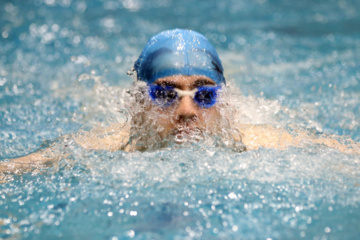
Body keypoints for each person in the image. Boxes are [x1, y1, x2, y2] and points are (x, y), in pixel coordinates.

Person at [1, 29, 359, 176]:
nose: (187, 112)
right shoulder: (107, 147)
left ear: (224, 102)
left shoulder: (256, 143)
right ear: (140, 104)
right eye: (164, 95)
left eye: (205, 96)